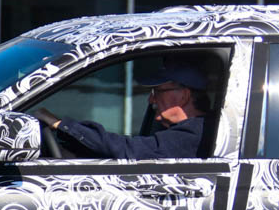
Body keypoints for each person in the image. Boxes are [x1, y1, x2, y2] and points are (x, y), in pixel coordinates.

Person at [34, 64, 210, 160]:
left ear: (184, 96)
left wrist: (61, 124)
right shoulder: (186, 130)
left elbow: (131, 149)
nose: (151, 100)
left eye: (157, 91)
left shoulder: (196, 132)